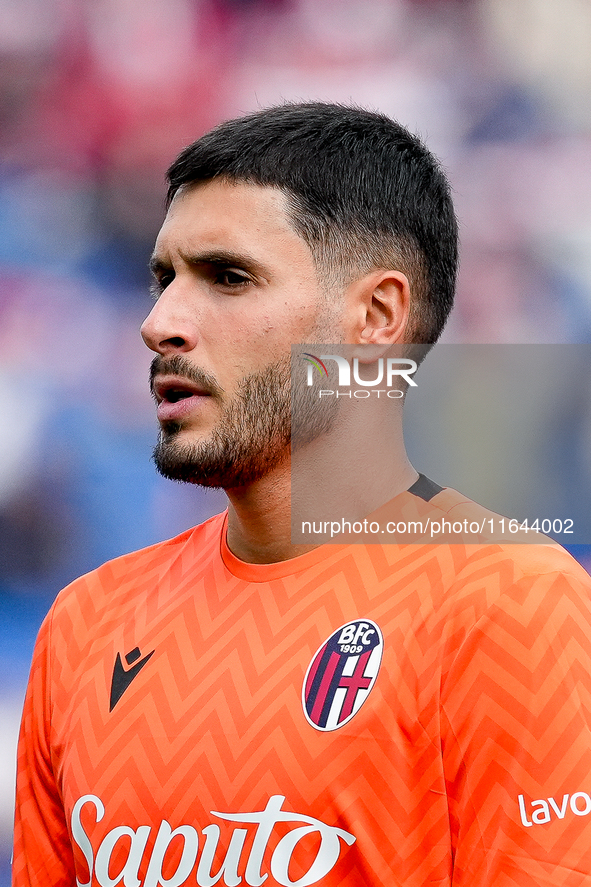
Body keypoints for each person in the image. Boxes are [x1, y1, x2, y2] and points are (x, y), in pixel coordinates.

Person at [12, 103, 591, 887]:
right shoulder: (87, 620)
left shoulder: (507, 602)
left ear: (374, 317)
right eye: (162, 279)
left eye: (227, 277)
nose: (159, 322)